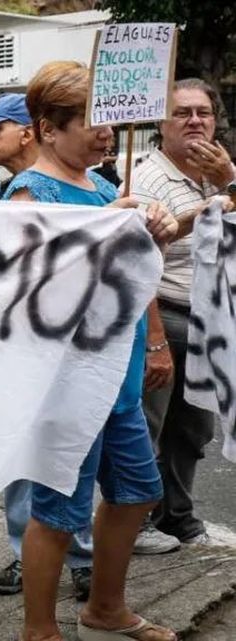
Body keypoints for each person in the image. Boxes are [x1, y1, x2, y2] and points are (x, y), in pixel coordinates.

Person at [6, 61, 178, 641]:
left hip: (121, 376)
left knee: (137, 493)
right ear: (48, 129)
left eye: (111, 119)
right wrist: (107, 224)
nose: (107, 131)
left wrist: (163, 227)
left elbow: (138, 275)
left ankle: (105, 608)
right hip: (68, 381)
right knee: (58, 512)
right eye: (92, 119)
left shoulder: (108, 187)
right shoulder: (28, 191)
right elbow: (29, 284)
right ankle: (40, 628)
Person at [0, 92, 94, 598]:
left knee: (73, 454)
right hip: (22, 353)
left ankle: (80, 555)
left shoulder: (88, 186)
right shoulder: (3, 193)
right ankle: (31, 554)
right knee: (23, 454)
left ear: (30, 131)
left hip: (71, 349)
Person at [132, 78, 236, 554]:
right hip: (166, 312)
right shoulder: (145, 177)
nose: (195, 121)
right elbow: (138, 262)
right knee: (149, 427)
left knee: (195, 430)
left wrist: (228, 181)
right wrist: (153, 339)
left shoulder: (222, 170)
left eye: (203, 113)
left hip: (211, 321)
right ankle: (136, 521)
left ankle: (177, 513)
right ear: (161, 122)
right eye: (182, 113)